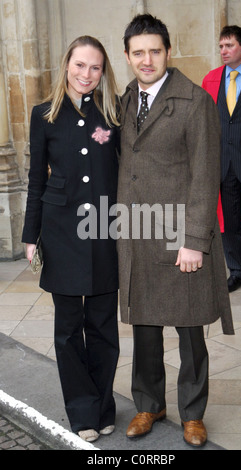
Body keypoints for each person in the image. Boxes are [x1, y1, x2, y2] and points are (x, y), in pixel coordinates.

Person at [117, 14, 234, 448]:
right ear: (128, 56)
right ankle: (149, 404)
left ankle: (192, 413)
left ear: (168, 52)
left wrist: (194, 241)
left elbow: (205, 175)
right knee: (144, 328)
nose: (147, 60)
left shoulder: (195, 101)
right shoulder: (126, 99)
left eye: (155, 51)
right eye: (138, 52)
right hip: (137, 234)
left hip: (179, 234)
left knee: (188, 329)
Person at [22, 36, 120, 443]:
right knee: (68, 328)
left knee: (101, 325)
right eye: (80, 65)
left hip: (102, 230)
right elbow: (34, 180)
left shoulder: (111, 114)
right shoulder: (43, 114)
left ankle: (103, 405)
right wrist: (31, 235)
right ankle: (82, 411)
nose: (86, 74)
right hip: (61, 230)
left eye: (95, 67)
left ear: (103, 72)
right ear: (66, 66)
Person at [202, 26, 241, 293]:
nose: (224, 51)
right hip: (223, 164)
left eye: (229, 46)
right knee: (229, 220)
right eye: (221, 47)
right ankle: (237, 271)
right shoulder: (211, 79)